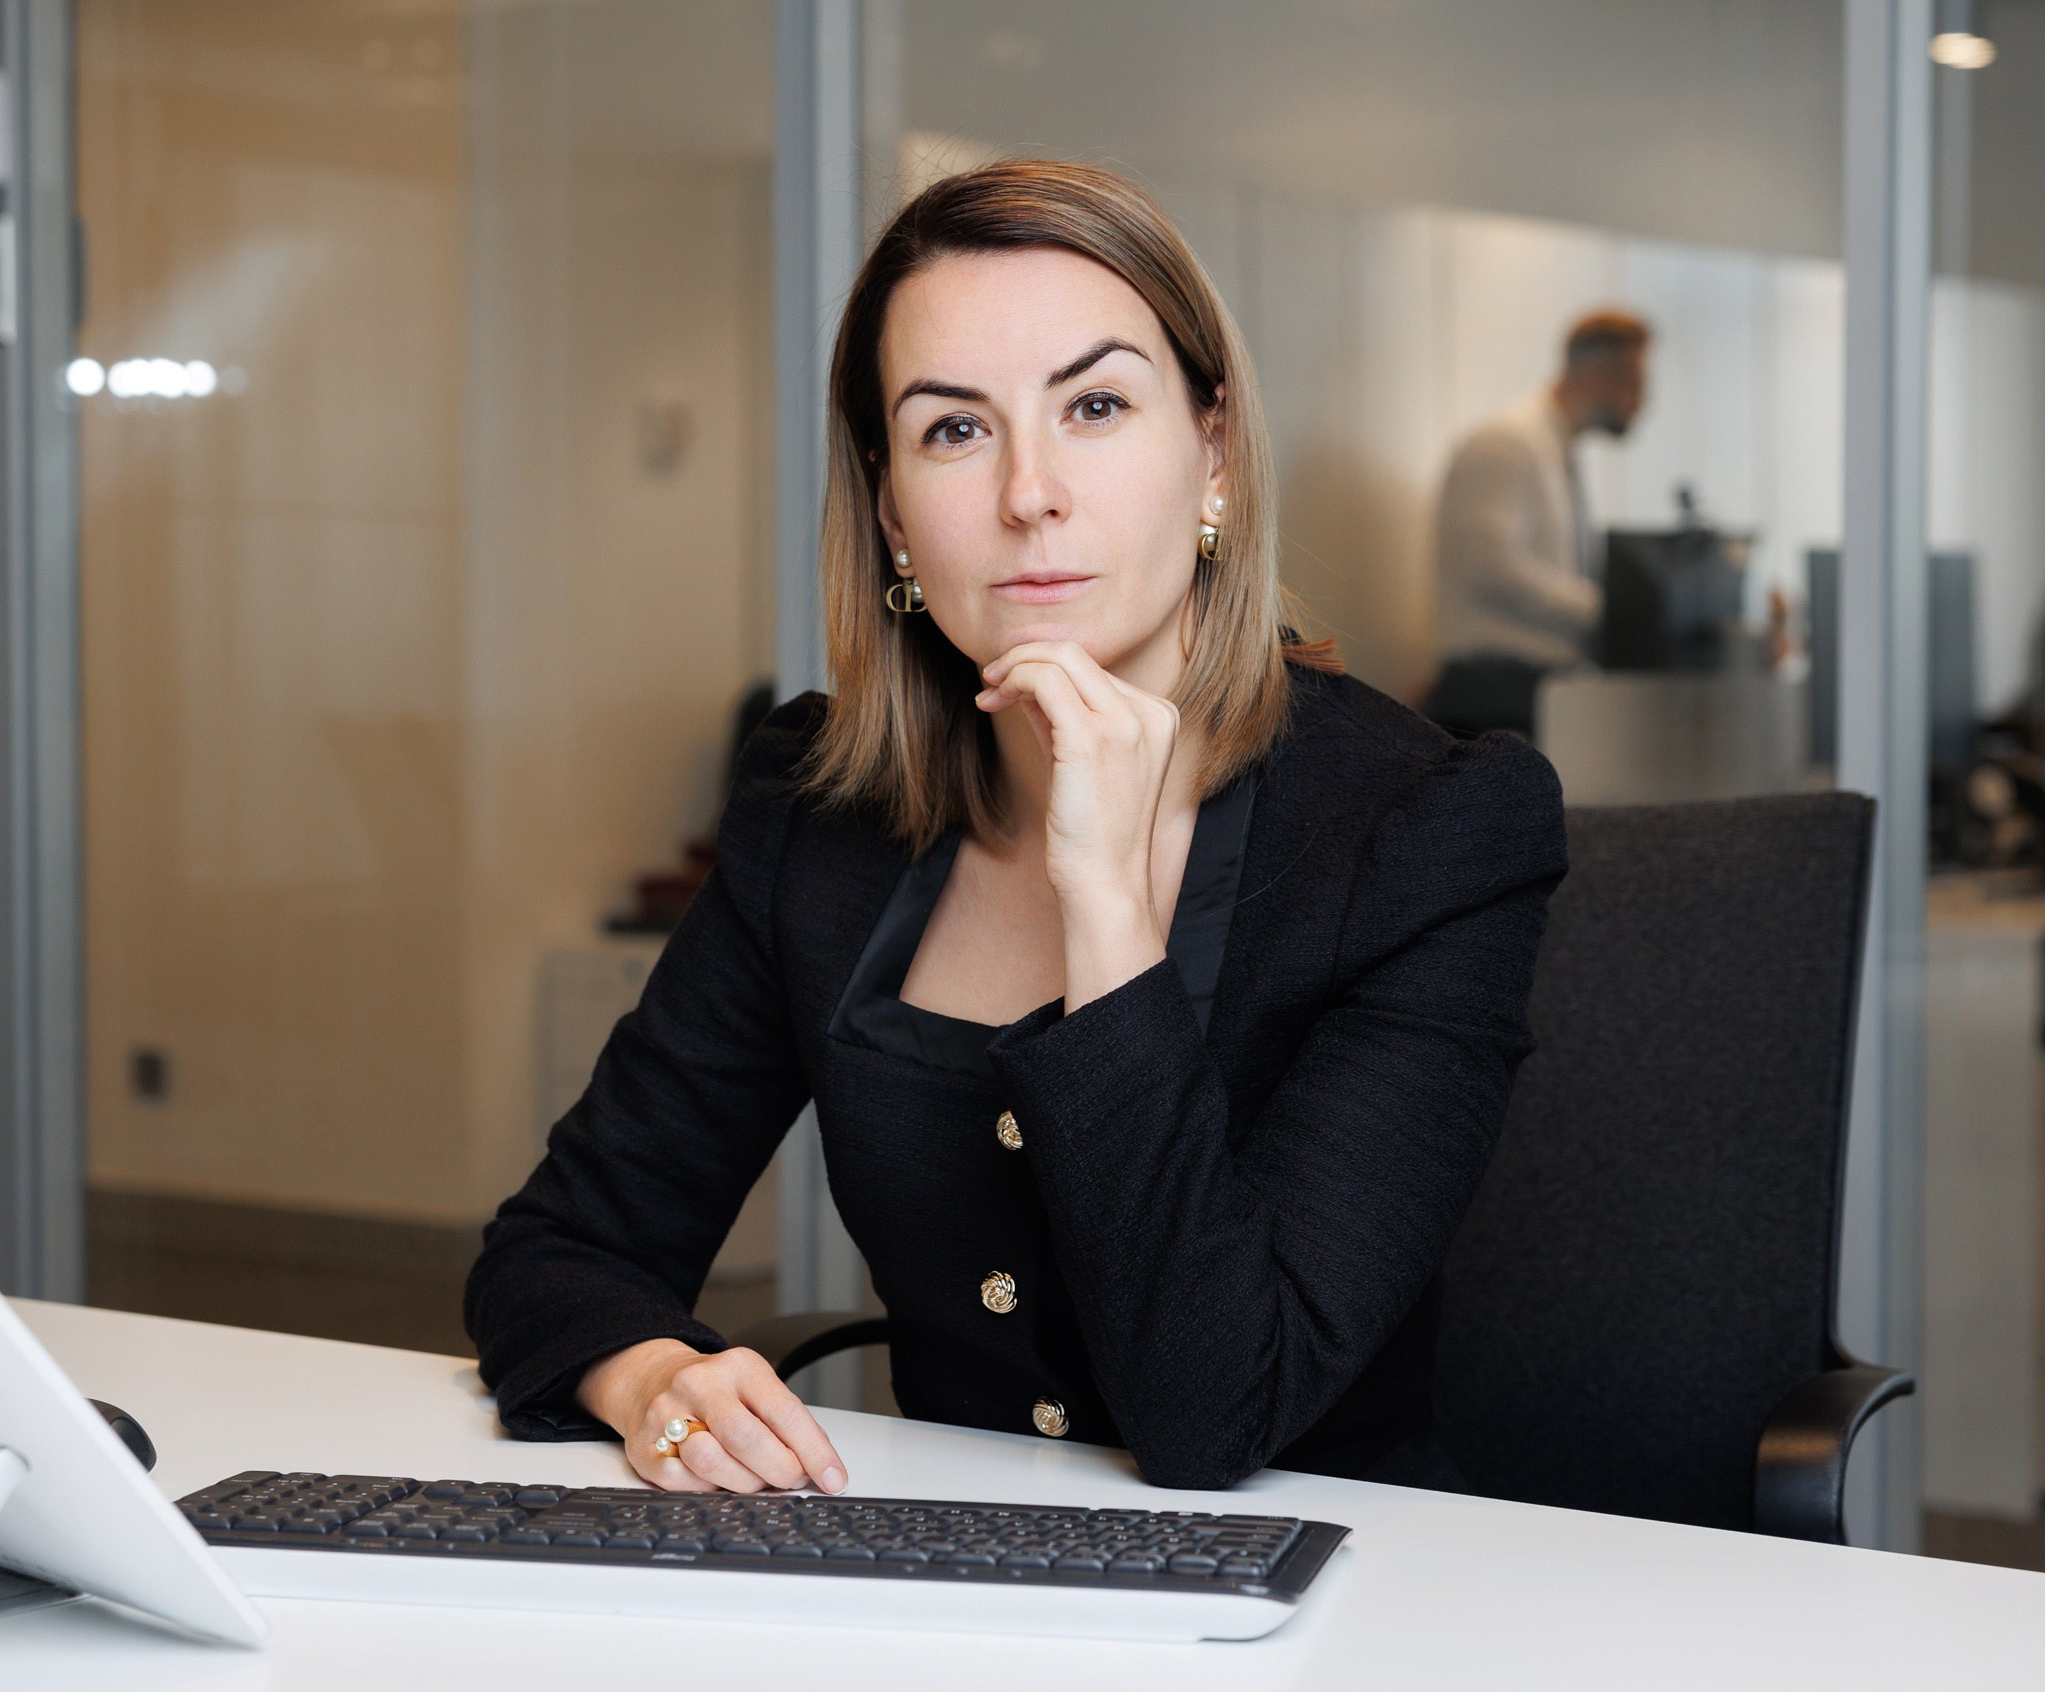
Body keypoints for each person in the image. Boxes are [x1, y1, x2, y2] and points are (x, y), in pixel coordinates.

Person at [465, 161, 1567, 1495]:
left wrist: (1102, 894)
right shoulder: (822, 806)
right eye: (952, 431)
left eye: (1095, 405)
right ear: (890, 512)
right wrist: (649, 1376)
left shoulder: (1427, 830)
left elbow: (1217, 1410)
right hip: (940, 1584)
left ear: (1212, 453)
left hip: (1309, 1608)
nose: (1029, 493)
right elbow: (562, 1246)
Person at [1424, 310, 1651, 738]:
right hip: (1493, 698)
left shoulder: (1555, 451)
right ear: (1601, 375)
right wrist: (1602, 611)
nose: (1643, 400)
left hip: (1533, 693)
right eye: (1636, 382)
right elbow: (1490, 566)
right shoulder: (1507, 443)